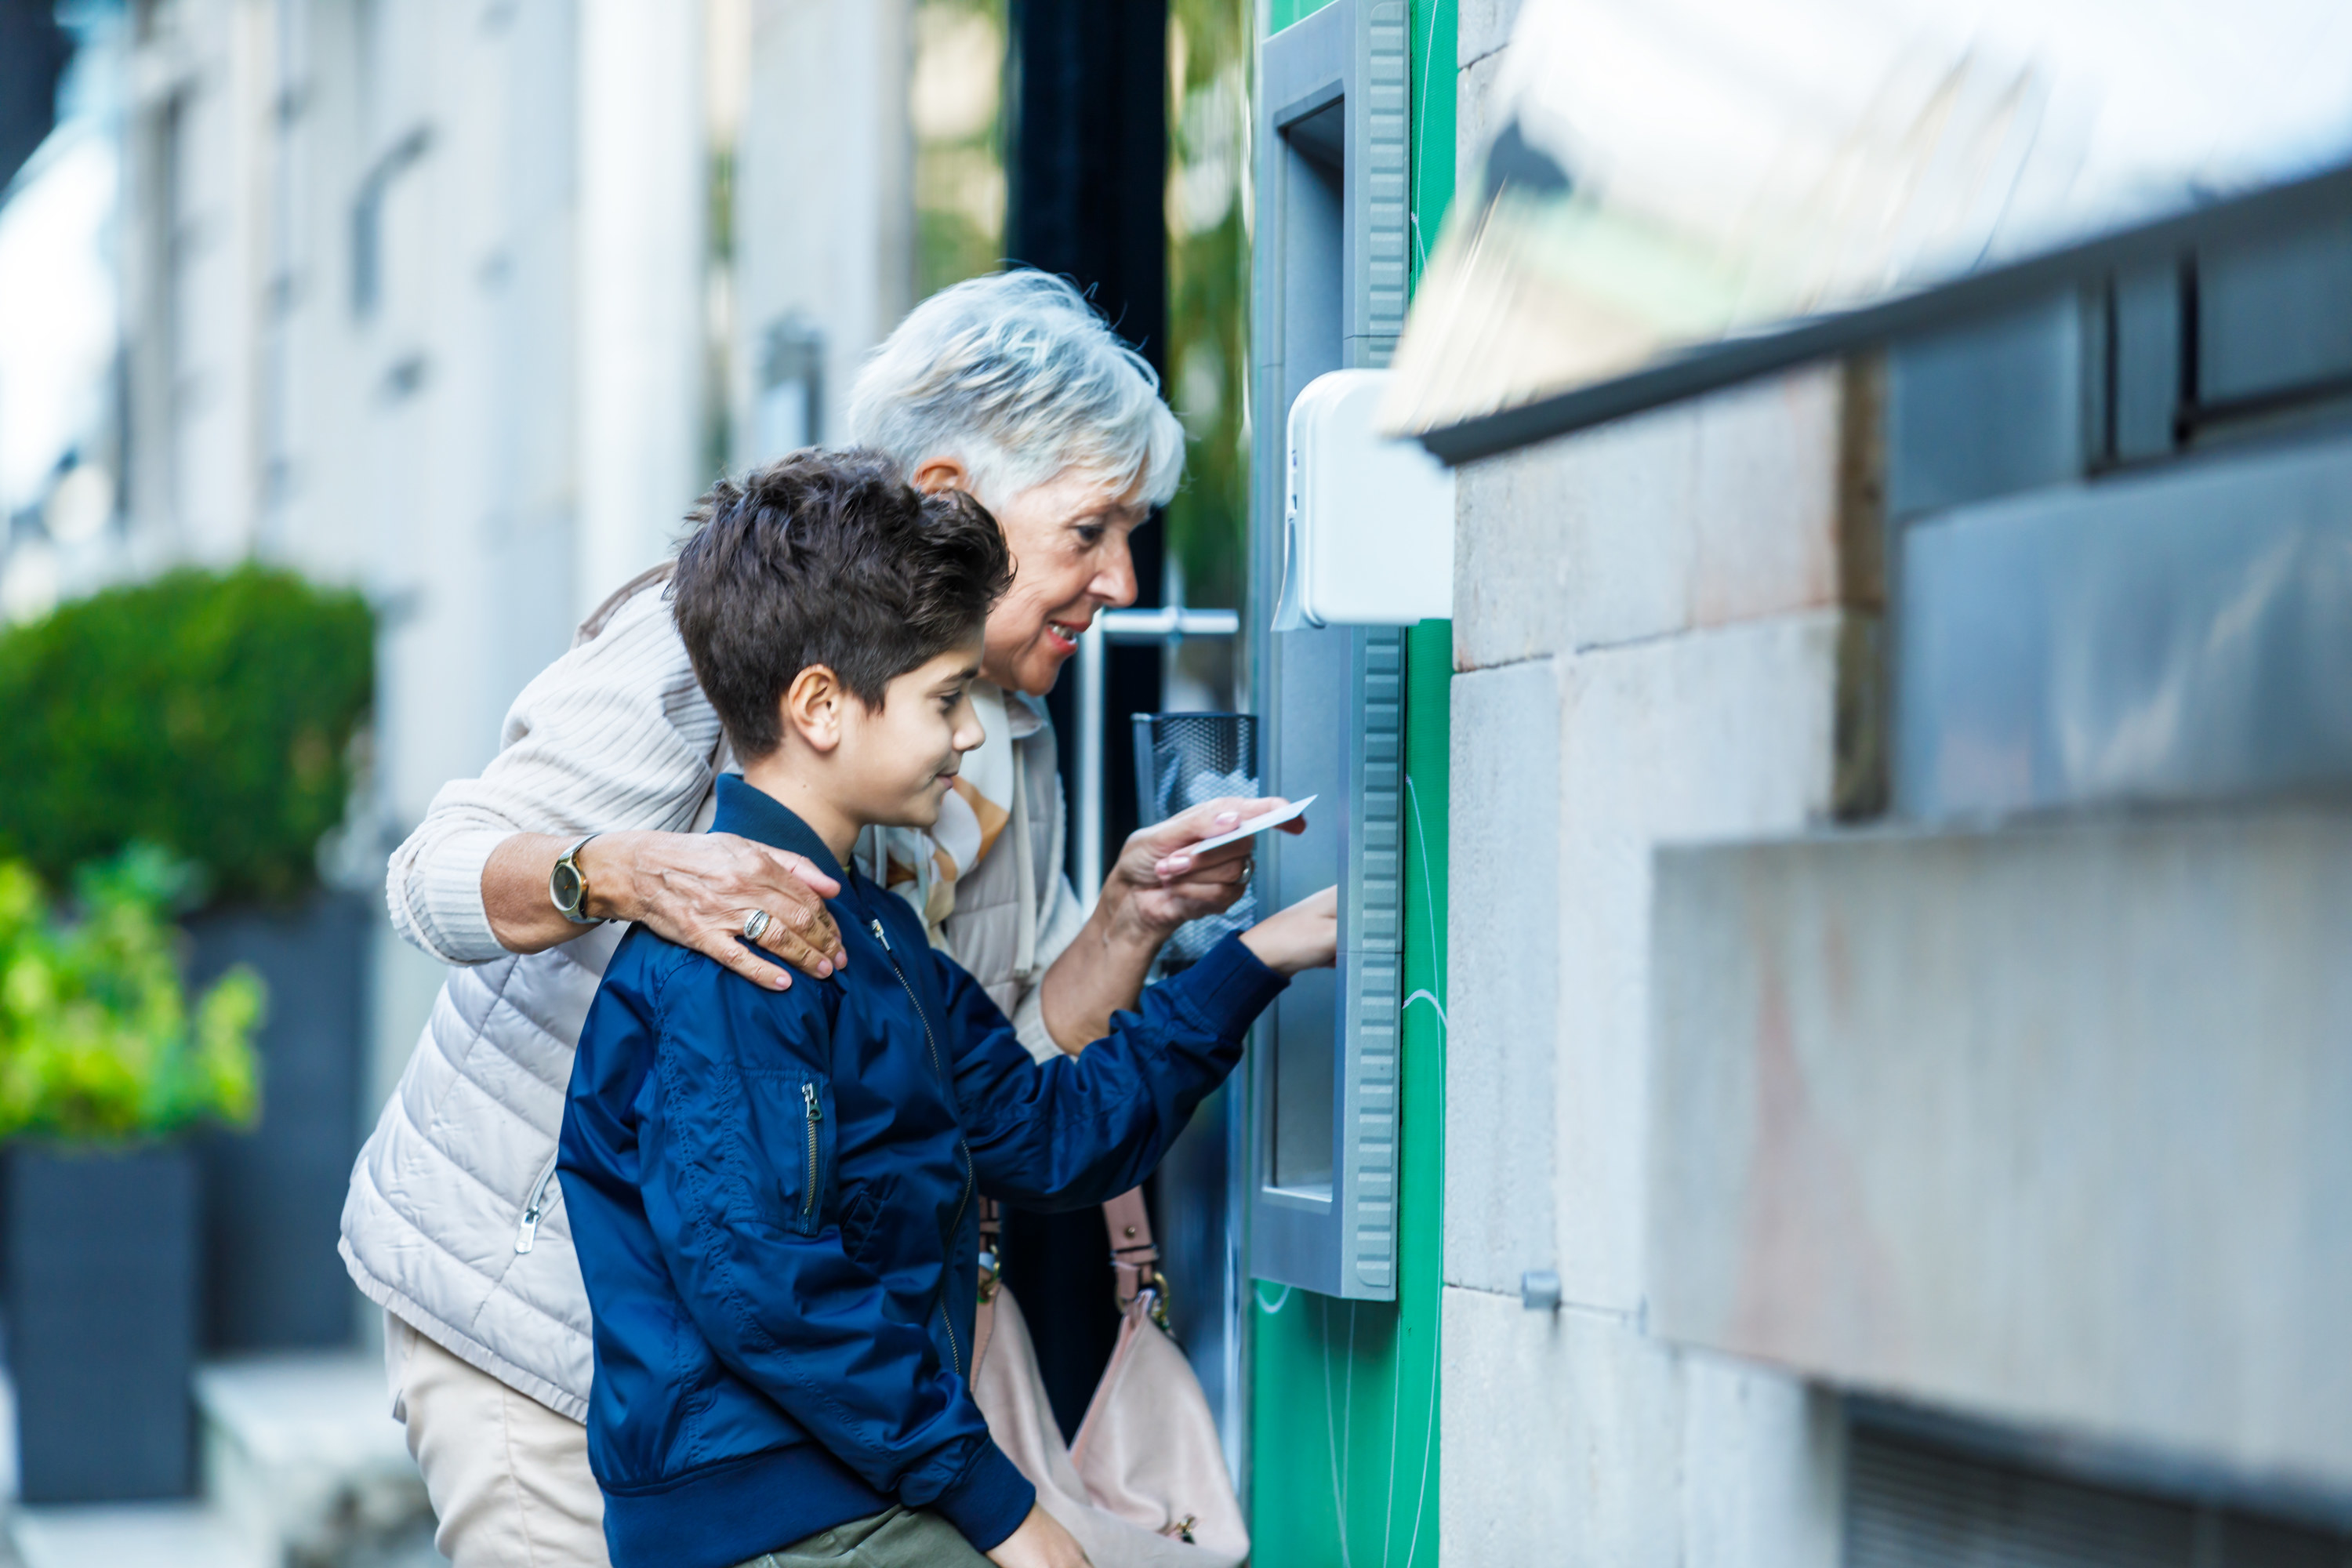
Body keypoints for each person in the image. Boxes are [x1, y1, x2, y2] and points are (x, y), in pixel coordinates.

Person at [342, 272, 1290, 1568]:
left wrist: (1132, 917)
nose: (1121, 578)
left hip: (795, 1388)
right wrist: (623, 871)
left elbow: (995, 1071)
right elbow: (431, 876)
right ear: (955, 491)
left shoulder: (1000, 731)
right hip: (551, 1330)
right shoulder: (715, 639)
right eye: (1092, 529)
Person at [561, 452, 1334, 1568]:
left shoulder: (874, 935)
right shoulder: (729, 963)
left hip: (856, 1480)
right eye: (946, 698)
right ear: (820, 707)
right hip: (783, 1515)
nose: (972, 734)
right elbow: (766, 1288)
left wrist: (1254, 960)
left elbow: (1047, 1135)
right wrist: (1002, 1508)